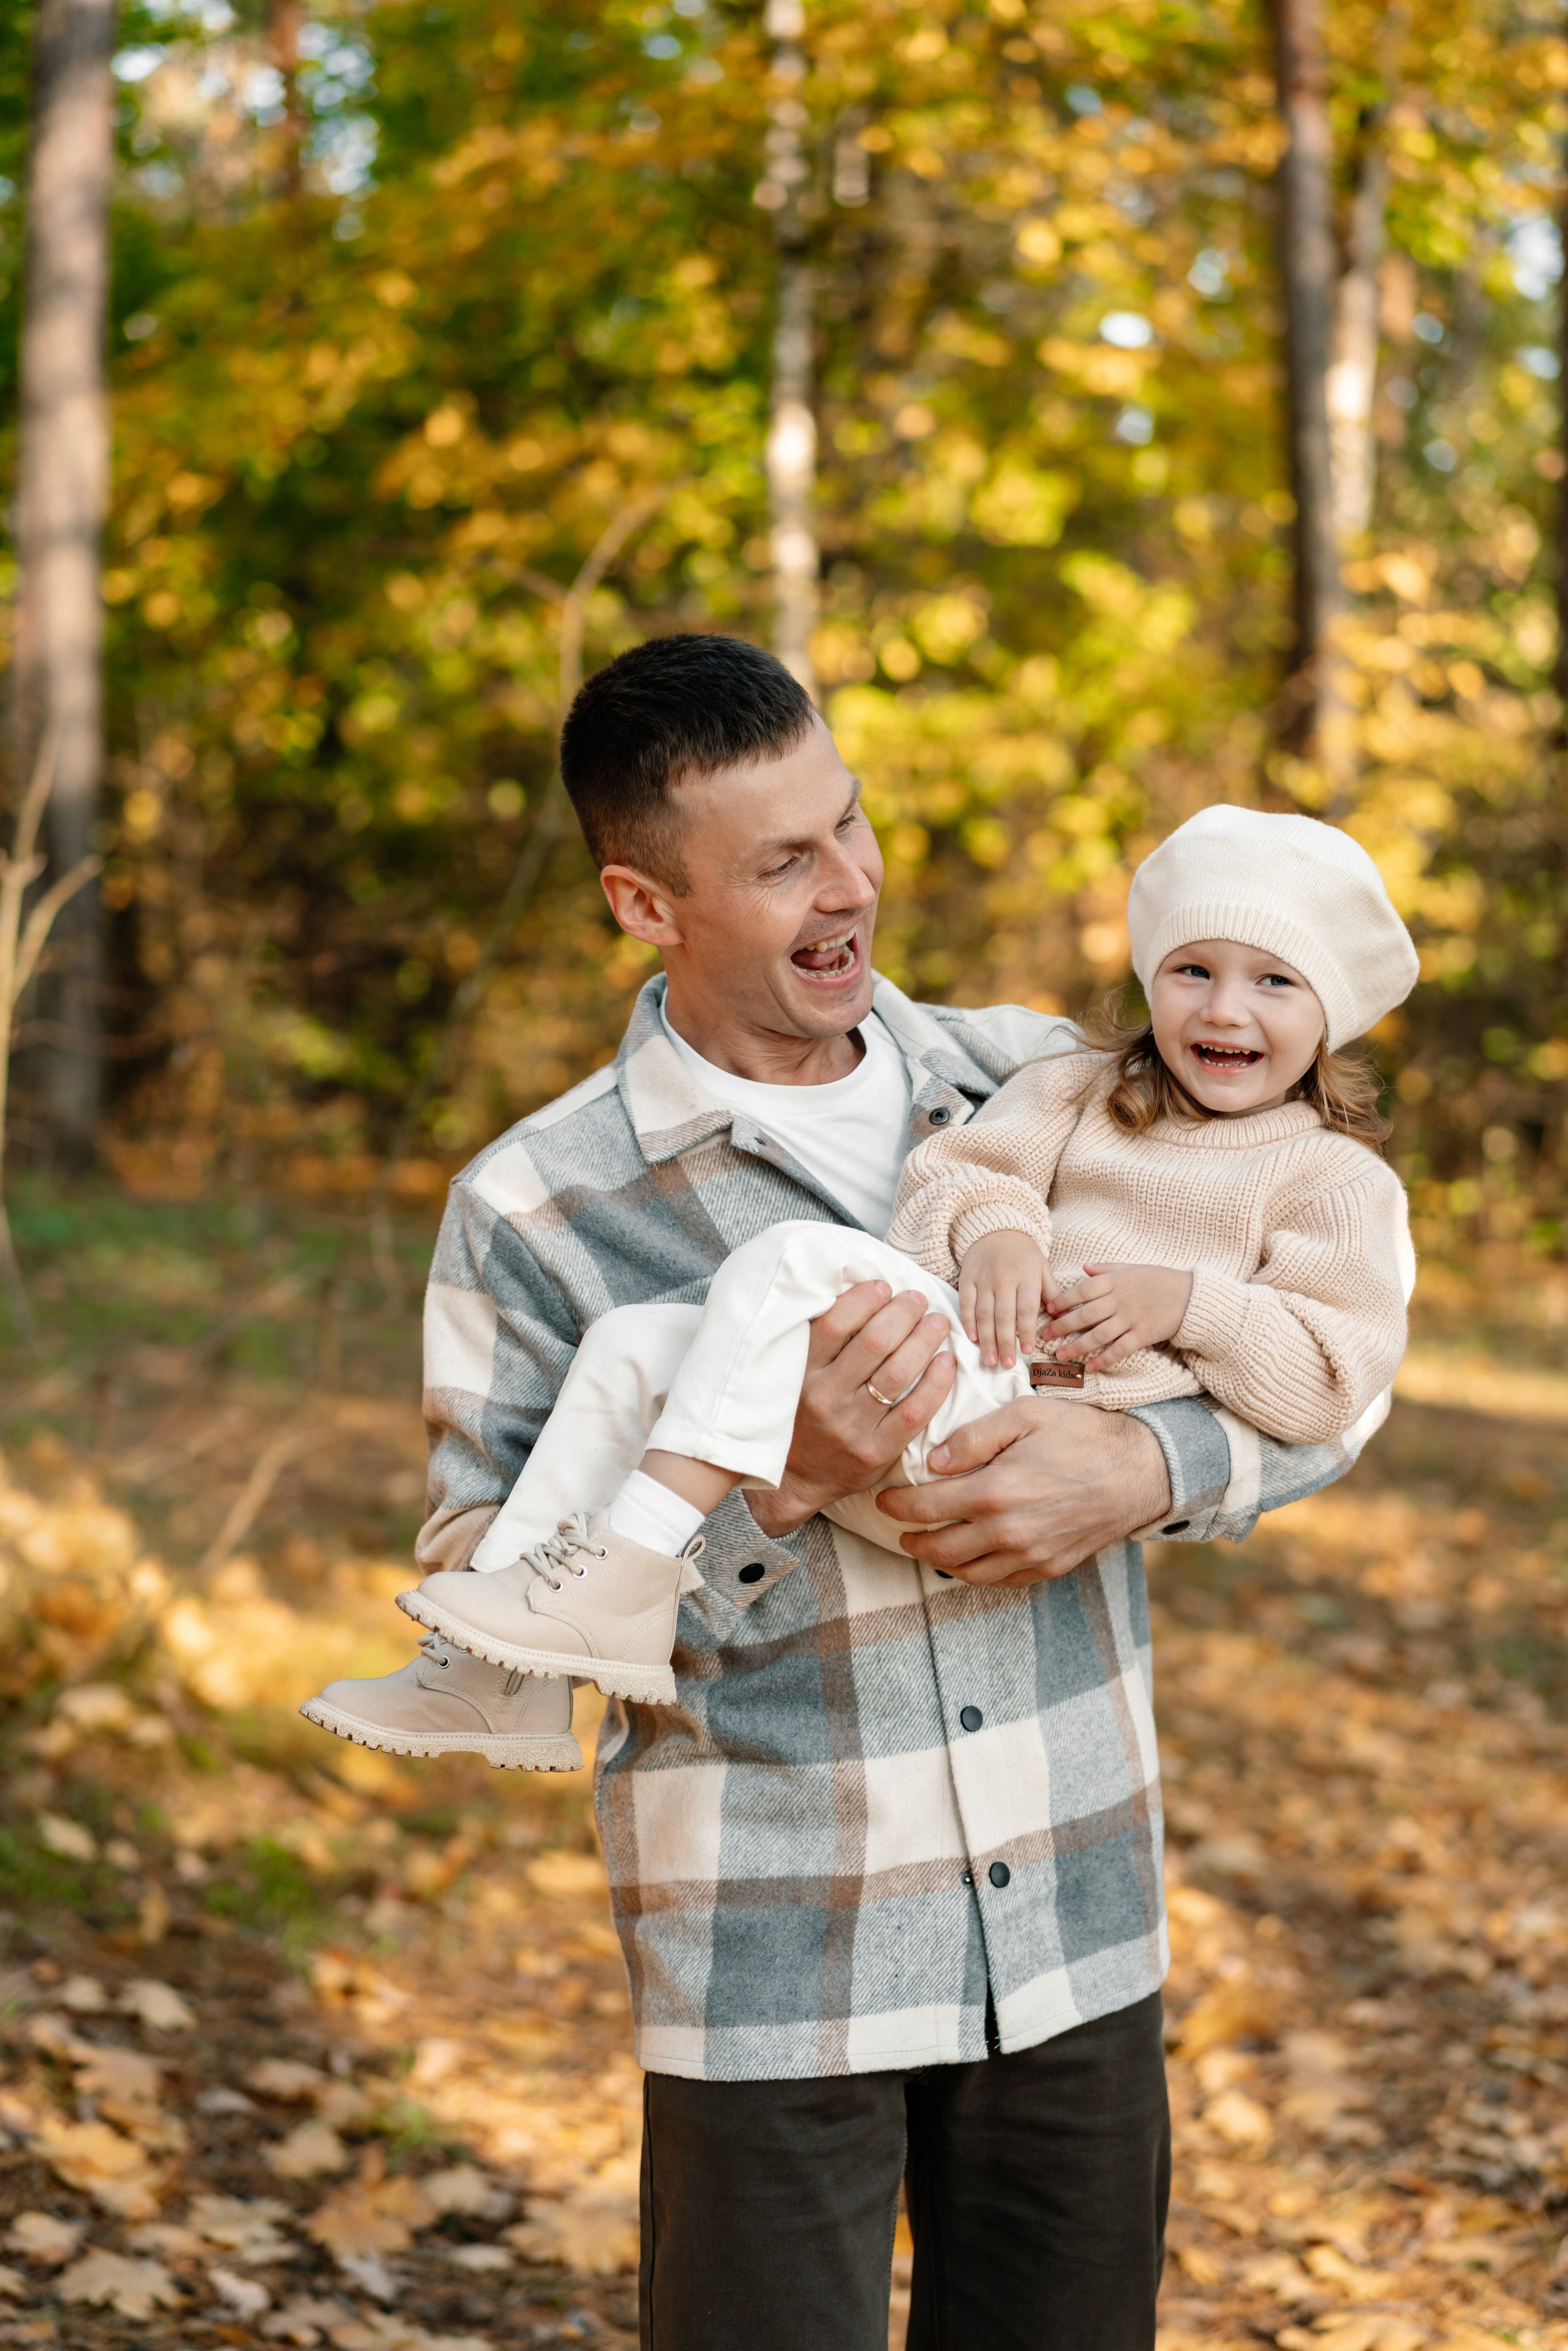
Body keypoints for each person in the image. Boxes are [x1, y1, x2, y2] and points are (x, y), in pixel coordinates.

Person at [303, 636, 1388, 2351]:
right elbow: (480, 1590)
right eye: (782, 860)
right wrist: (777, 1491)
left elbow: (1333, 1361)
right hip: (771, 1957)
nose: (851, 888)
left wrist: (1145, 1463)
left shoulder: (1050, 1084)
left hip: (1077, 1918)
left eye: (853, 825)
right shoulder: (535, 1206)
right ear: (644, 903)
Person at [386, 805, 1417, 1707]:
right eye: (1194, 970)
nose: (1225, 1008)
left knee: (791, 1261)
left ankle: (624, 1570)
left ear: (1329, 1020)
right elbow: (960, 1177)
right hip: (952, 1384)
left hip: (1020, 1432)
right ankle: (485, 1682)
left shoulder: (1333, 1181)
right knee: (636, 1341)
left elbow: (1342, 1373)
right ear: (647, 904)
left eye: (1274, 980)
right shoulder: (1073, 1087)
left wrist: (1179, 1351)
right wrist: (1000, 1232)